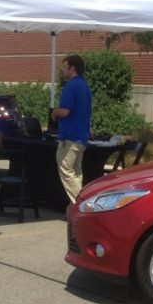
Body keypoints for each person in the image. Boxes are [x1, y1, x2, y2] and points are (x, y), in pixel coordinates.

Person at [51, 54, 93, 206]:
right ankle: (74, 209)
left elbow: (65, 111)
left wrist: (55, 112)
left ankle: (84, 204)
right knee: (76, 172)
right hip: (82, 136)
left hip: (70, 136)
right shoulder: (85, 87)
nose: (63, 70)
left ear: (72, 68)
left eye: (65, 67)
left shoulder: (71, 86)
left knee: (65, 169)